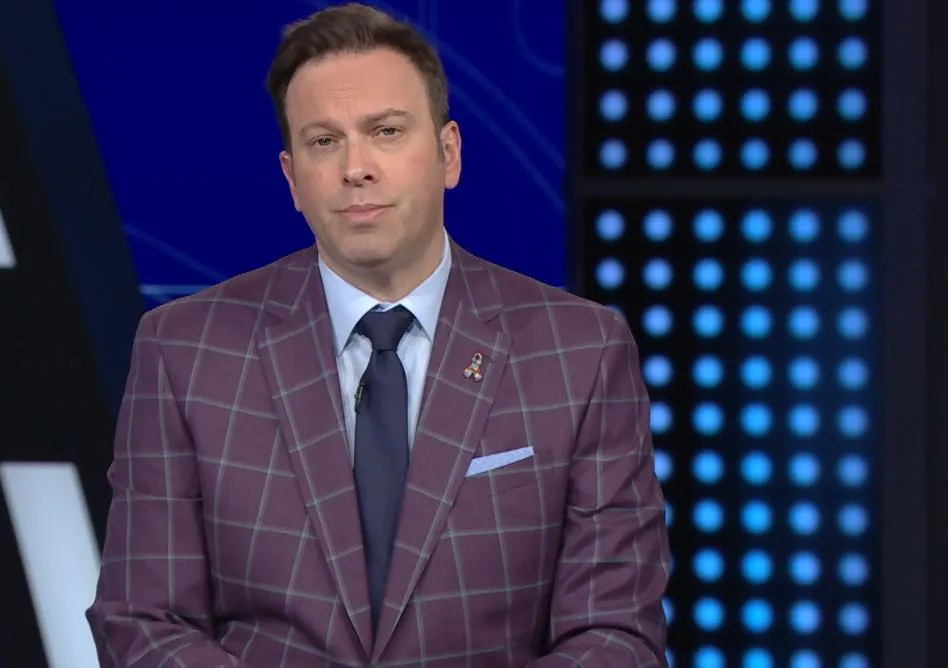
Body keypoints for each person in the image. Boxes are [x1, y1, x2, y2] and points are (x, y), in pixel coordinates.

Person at [86, 3, 669, 666]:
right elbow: (143, 620)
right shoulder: (187, 351)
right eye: (323, 142)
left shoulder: (580, 352)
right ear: (292, 179)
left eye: (386, 131)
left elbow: (614, 634)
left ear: (449, 153)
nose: (355, 167)